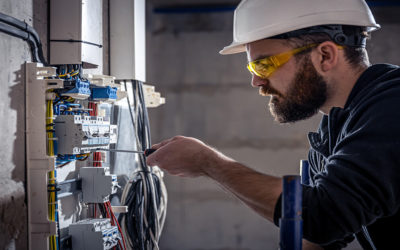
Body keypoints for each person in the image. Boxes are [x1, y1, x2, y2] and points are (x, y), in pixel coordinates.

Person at [146, 0, 400, 249]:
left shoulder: (392, 104)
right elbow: (320, 235)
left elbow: (325, 216)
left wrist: (209, 163)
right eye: (253, 67)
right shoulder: (337, 127)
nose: (257, 81)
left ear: (325, 55)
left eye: (264, 64)